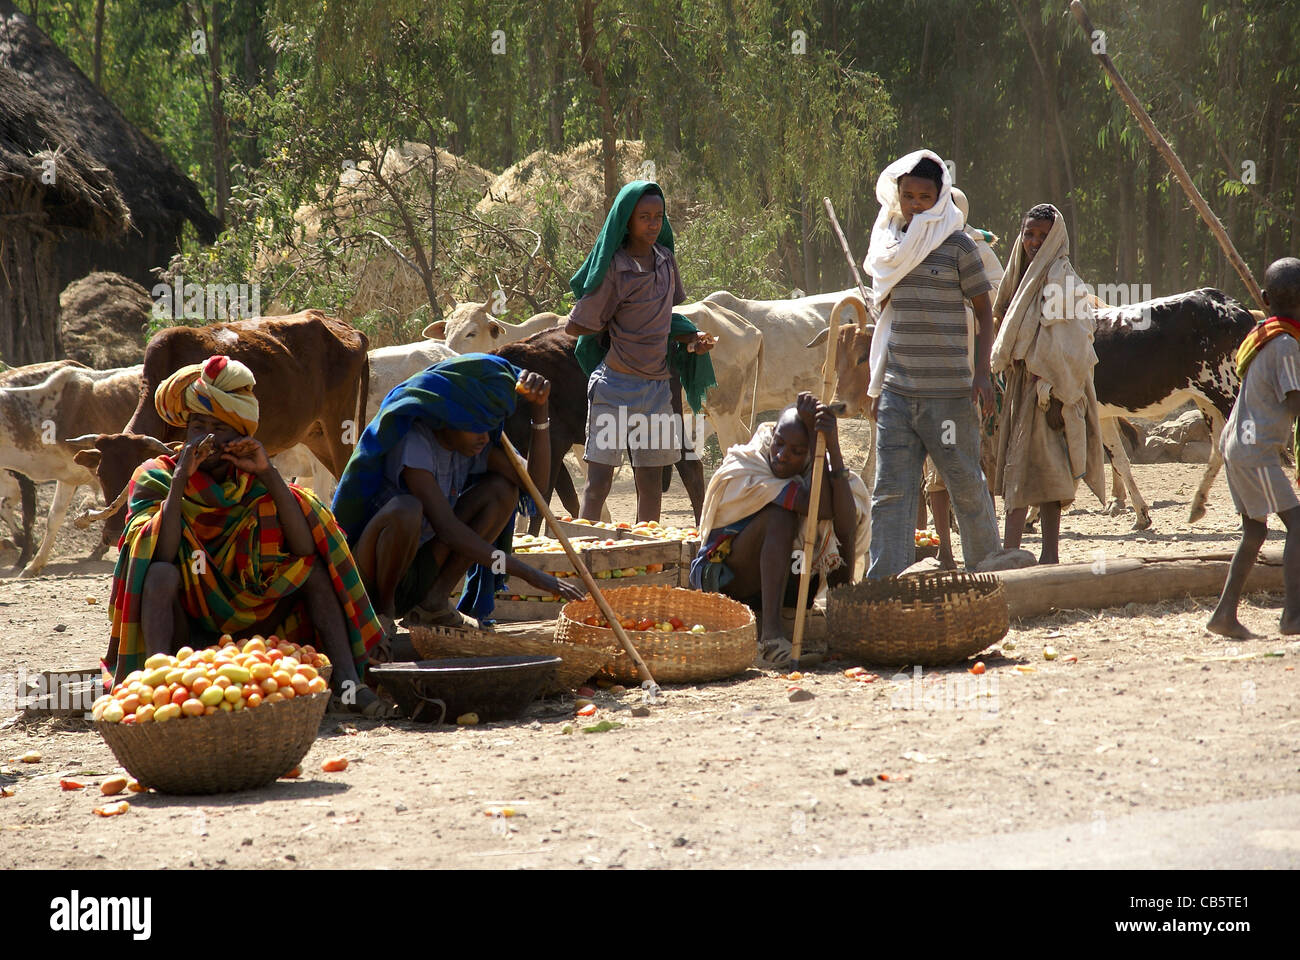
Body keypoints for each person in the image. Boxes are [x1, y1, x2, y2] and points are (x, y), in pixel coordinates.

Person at [106, 355, 391, 716]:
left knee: (315, 572)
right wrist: (180, 482)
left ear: (240, 435)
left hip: (258, 621)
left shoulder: (254, 477)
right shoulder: (156, 476)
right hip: (189, 623)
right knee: (160, 574)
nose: (205, 438)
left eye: (219, 428)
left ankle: (350, 684)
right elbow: (157, 554)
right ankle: (162, 687)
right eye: (197, 426)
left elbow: (304, 550)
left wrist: (269, 474)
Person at [331, 353, 585, 644]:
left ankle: (432, 604)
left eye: (490, 425)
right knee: (407, 509)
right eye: (475, 425)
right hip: (372, 576)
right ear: (446, 418)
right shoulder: (416, 442)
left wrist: (540, 412)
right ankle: (383, 615)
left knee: (502, 492)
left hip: (419, 568)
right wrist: (532, 575)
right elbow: (448, 529)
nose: (484, 436)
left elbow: (536, 487)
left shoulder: (477, 445)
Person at [863, 150, 1001, 578]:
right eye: (909, 196)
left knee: (966, 483)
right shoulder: (890, 246)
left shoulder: (957, 244)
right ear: (898, 196)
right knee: (890, 489)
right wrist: (879, 386)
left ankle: (987, 570)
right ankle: (886, 580)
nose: (916, 204)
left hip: (949, 393)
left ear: (940, 197)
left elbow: (984, 311)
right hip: (898, 393)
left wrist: (982, 374)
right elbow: (883, 313)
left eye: (926, 195)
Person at [565, 180, 716, 523]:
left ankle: (645, 559)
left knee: (650, 484)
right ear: (626, 221)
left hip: (657, 391)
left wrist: (691, 340)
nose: (652, 224)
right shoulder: (615, 269)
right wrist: (613, 319)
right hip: (614, 388)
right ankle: (588, 558)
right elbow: (575, 326)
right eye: (643, 217)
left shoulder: (665, 262)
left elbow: (662, 319)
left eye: (658, 217)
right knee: (598, 483)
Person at [690, 393, 871, 666]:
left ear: (811, 452)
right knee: (782, 516)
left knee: (840, 530)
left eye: (797, 451)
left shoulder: (820, 465)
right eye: (779, 443)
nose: (782, 456)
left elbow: (844, 522)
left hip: (787, 581)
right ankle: (771, 639)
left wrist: (831, 446)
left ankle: (842, 625)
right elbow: (815, 508)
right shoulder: (749, 464)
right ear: (772, 434)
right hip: (728, 579)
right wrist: (813, 440)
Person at [991, 203, 1106, 565]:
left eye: (1043, 235)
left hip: (1049, 389)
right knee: (1021, 467)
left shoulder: (1062, 279)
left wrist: (1059, 396)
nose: (1034, 242)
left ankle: (1044, 555)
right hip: (1023, 384)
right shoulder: (1021, 274)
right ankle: (1014, 553)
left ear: (1057, 238)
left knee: (1045, 471)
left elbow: (1071, 346)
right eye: (1029, 234)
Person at [1207, 257, 1300, 638]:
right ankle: (1292, 617)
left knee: (1254, 532)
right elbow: (1295, 403)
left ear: (1263, 298)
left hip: (1236, 444)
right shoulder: (1287, 346)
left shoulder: (1263, 334)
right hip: (1256, 449)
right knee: (1298, 525)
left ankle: (1223, 616)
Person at [924, 186, 1005, 568]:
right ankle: (944, 548)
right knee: (938, 468)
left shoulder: (980, 252)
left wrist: (984, 374)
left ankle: (987, 544)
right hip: (930, 376)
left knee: (978, 461)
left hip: (972, 375)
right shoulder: (918, 248)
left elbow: (995, 307)